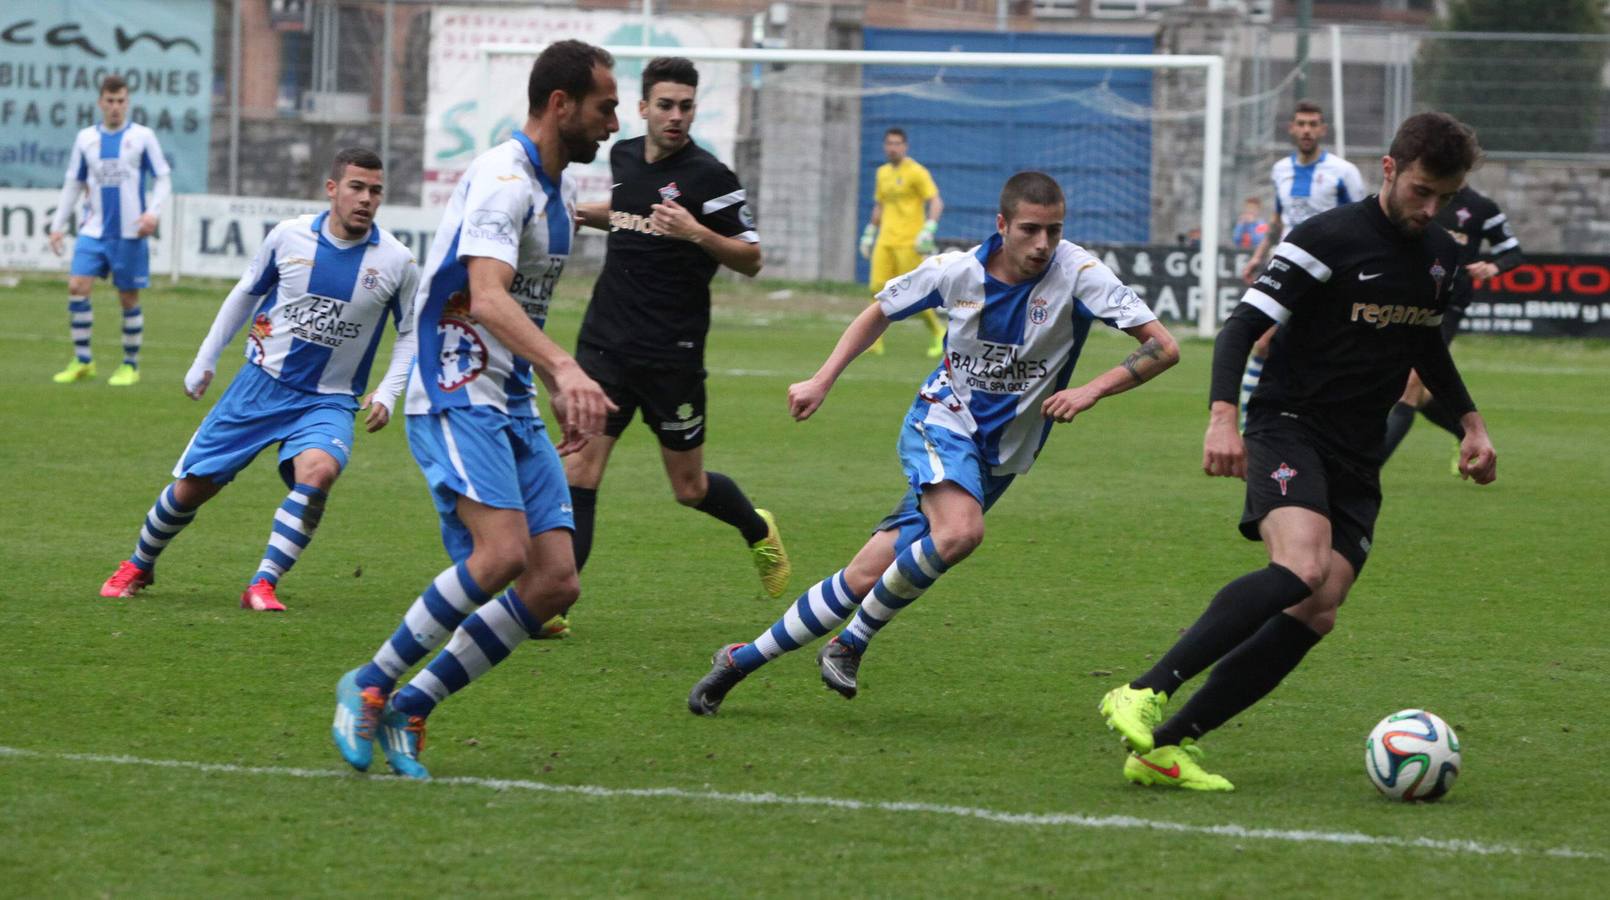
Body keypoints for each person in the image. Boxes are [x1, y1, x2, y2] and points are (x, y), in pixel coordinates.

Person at [1098, 112, 1498, 792]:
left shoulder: (1441, 255)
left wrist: (1471, 425)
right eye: (1422, 191)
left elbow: (1424, 343)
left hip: (1357, 448)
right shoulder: (1325, 238)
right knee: (1303, 567)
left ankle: (1164, 748)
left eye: (1446, 197)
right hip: (1288, 423)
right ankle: (1141, 690)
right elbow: (1240, 328)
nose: (1430, 208)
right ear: (1390, 171)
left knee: (1321, 606)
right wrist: (1222, 417)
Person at [690, 171, 1179, 716]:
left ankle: (738, 661)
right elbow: (878, 310)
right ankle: (849, 644)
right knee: (961, 531)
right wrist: (822, 378)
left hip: (1001, 458)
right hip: (943, 421)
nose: (1043, 244)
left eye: (1054, 230)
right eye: (1030, 229)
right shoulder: (956, 271)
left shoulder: (1080, 274)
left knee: (865, 574)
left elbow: (1162, 347)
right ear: (1002, 226)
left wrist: (1092, 390)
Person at [330, 40, 620, 780]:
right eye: (604, 107)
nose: (613, 122)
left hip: (508, 392)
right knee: (501, 555)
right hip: (453, 383)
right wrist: (566, 368)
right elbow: (486, 296)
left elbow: (515, 302)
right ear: (561, 105)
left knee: (556, 580)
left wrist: (546, 378)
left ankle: (414, 703)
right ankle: (369, 681)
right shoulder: (502, 177)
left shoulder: (556, 187)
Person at [96, 148, 419, 612]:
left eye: (375, 190)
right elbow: (244, 296)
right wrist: (205, 359)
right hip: (260, 384)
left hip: (327, 400)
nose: (366, 198)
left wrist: (389, 391)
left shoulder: (397, 262)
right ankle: (139, 564)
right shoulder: (288, 237)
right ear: (332, 189)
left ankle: (262, 584)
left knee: (320, 471)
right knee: (193, 487)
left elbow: (409, 334)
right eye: (356, 187)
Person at [565, 56, 788, 631]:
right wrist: (588, 215)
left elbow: (753, 259)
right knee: (581, 475)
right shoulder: (620, 155)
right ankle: (552, 604)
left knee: (688, 489)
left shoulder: (711, 178)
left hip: (673, 355)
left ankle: (756, 528)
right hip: (606, 344)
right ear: (643, 108)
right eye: (665, 104)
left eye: (686, 106)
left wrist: (697, 232)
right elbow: (633, 215)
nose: (676, 116)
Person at [1237, 102, 1366, 425]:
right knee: (1263, 342)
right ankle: (1245, 424)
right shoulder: (1281, 169)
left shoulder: (1343, 172)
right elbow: (1279, 221)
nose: (1307, 130)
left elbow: (1363, 220)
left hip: (1329, 275)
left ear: (1323, 130)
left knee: (1319, 350)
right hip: (1288, 268)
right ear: (1291, 129)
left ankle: (1313, 420)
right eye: (1301, 124)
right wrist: (1257, 256)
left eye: (1313, 124)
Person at [1381, 184, 1523, 465]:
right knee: (1418, 393)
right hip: (1408, 299)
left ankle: (1367, 468)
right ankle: (1466, 434)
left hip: (1448, 305)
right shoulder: (1416, 195)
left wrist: (1492, 267)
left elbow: (1513, 252)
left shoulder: (1481, 207)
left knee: (1410, 386)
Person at [47, 74, 172, 387]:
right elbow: (74, 183)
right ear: (100, 102)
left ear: (127, 103)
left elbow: (163, 179)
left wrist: (152, 213)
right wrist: (57, 225)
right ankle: (82, 361)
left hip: (131, 232)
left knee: (128, 298)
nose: (115, 107)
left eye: (121, 101)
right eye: (110, 101)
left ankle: (130, 365)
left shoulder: (143, 137)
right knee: (77, 286)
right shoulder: (86, 138)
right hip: (93, 230)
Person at [859, 127, 947, 358]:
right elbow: (880, 205)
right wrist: (870, 231)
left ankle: (938, 330)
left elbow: (936, 202)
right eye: (889, 143)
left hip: (908, 241)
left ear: (905, 146)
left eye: (897, 143)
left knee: (913, 293)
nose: (892, 147)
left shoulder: (917, 172)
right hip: (885, 240)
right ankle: (874, 340)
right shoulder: (882, 173)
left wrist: (929, 228)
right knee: (877, 288)